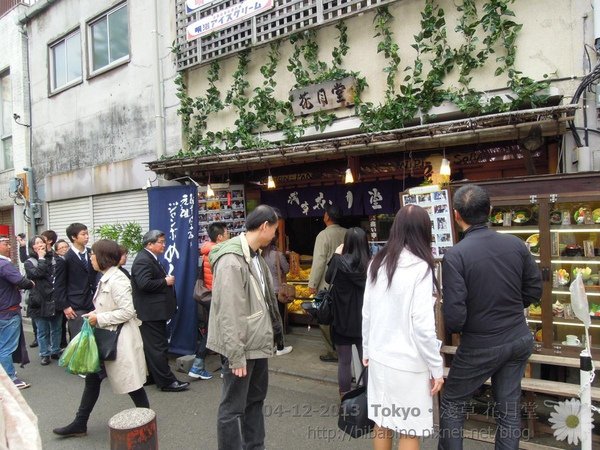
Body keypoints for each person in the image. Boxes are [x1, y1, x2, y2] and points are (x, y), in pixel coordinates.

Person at [438, 185, 542, 450]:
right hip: (518, 337)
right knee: (508, 406)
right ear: (491, 211)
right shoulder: (516, 245)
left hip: (480, 342)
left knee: (452, 402)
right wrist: (508, 307)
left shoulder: (455, 255)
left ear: (456, 215)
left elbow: (455, 317)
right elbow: (534, 290)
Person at [363, 205, 444, 450]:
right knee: (409, 428)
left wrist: (366, 349)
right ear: (424, 231)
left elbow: (367, 311)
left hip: (379, 358)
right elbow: (422, 325)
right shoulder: (421, 268)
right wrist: (436, 366)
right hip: (409, 363)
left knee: (382, 422)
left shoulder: (377, 263)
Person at [53, 239, 149, 438]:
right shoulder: (106, 277)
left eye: (93, 254)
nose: (90, 257)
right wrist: (95, 314)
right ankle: (80, 423)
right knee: (93, 379)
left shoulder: (118, 279)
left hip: (118, 339)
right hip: (107, 337)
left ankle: (147, 420)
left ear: (103, 257)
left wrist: (100, 317)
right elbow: (109, 306)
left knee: (132, 384)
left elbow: (127, 311)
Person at [207, 205, 283, 450]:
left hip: (258, 344)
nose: (274, 235)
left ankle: (254, 446)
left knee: (255, 401)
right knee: (232, 408)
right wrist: (236, 356)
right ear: (264, 226)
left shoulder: (255, 255)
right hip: (240, 347)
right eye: (274, 230)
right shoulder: (231, 260)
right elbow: (229, 311)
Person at [131, 230, 189, 392]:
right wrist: (165, 281)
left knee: (152, 347)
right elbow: (144, 284)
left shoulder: (149, 258)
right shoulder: (143, 260)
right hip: (151, 312)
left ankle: (151, 376)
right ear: (150, 244)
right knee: (158, 348)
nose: (164, 245)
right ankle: (166, 382)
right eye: (161, 242)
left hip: (154, 311)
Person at [325, 227, 370, 397]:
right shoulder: (371, 265)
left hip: (342, 319)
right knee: (366, 361)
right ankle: (368, 398)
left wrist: (336, 255)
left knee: (344, 362)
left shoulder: (339, 261)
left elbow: (328, 278)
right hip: (364, 321)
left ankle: (345, 399)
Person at [189, 222, 229, 380]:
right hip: (218, 297)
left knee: (217, 330)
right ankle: (198, 366)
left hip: (210, 297)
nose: (228, 235)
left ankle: (223, 368)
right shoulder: (218, 252)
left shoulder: (209, 250)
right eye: (226, 233)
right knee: (217, 331)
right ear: (220, 237)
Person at [308, 205, 347, 362]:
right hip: (344, 284)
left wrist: (312, 283)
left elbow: (319, 261)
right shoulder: (346, 233)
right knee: (341, 317)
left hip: (325, 285)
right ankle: (343, 348)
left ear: (327, 217)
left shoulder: (323, 235)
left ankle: (332, 351)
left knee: (323, 318)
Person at [0, 236, 34, 389]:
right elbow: (22, 281)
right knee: (6, 346)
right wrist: (31, 283)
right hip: (8, 311)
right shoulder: (4, 265)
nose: (9, 247)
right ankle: (10, 379)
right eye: (6, 244)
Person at [54, 223, 99, 338]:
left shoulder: (92, 253)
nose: (87, 237)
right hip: (76, 305)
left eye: (87, 234)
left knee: (96, 338)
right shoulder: (65, 258)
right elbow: (59, 285)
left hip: (94, 302)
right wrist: (65, 306)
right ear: (73, 237)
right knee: (79, 339)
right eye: (83, 234)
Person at [23, 236, 61, 365]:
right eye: (37, 243)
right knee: (42, 330)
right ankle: (45, 354)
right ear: (32, 247)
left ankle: (55, 350)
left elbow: (56, 275)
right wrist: (41, 258)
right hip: (39, 299)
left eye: (42, 242)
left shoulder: (54, 258)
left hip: (54, 297)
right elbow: (37, 274)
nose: (40, 245)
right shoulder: (29, 262)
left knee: (56, 328)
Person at [261, 234, 293, 356]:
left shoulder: (260, 255)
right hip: (277, 291)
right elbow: (286, 269)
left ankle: (269, 345)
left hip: (264, 291)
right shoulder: (278, 255)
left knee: (267, 319)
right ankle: (280, 347)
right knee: (277, 319)